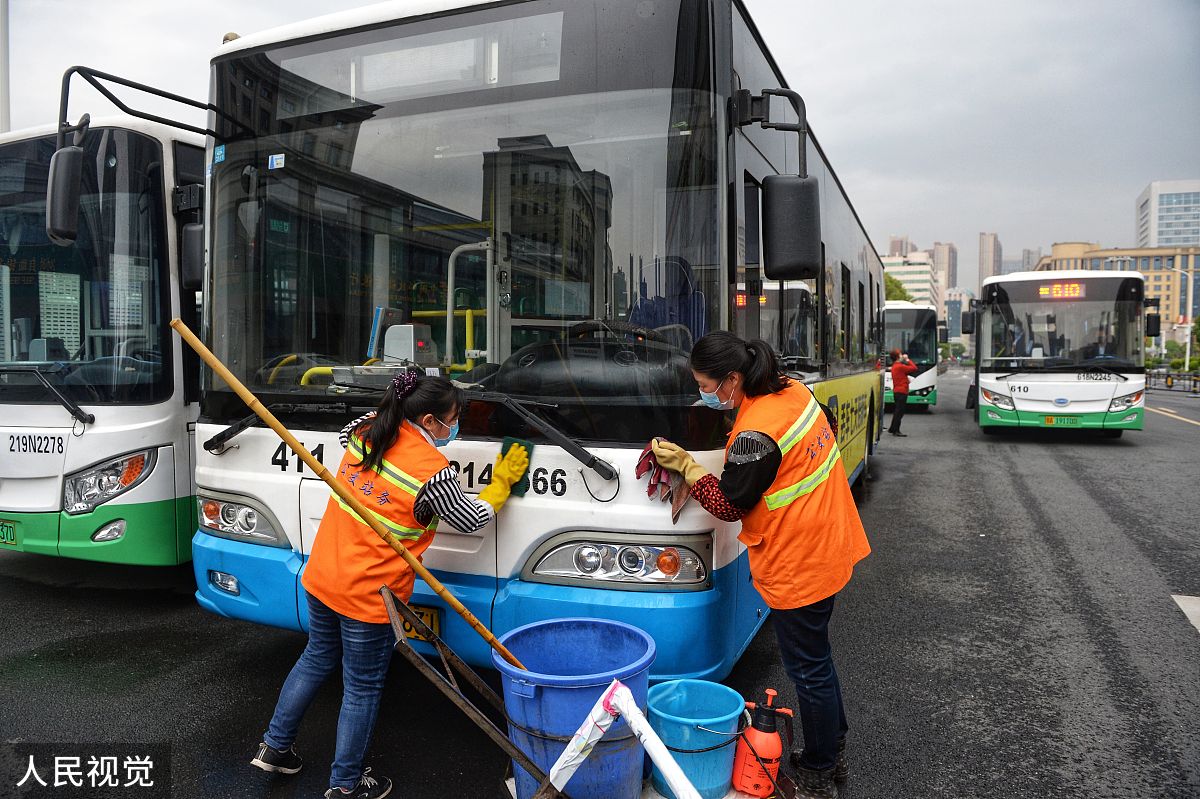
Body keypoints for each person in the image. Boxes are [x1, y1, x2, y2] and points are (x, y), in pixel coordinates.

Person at [250, 369, 529, 799]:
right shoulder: (432, 471)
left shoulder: (363, 432)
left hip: (324, 574)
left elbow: (362, 431)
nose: (456, 427)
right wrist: (503, 484)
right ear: (432, 421)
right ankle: (344, 786)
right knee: (361, 687)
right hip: (369, 593)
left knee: (315, 659)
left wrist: (394, 405)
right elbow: (470, 520)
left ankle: (274, 747)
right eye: (453, 418)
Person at [650, 331, 871, 799]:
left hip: (801, 559)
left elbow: (729, 505)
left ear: (732, 380)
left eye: (706, 385)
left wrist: (690, 467)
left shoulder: (756, 434)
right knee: (818, 660)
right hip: (828, 539)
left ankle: (820, 768)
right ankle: (833, 745)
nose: (703, 394)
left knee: (808, 669)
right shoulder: (790, 390)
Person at [887, 348, 919, 437]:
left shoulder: (895, 366)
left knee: (898, 411)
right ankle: (896, 430)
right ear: (897, 357)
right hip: (902, 391)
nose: (902, 355)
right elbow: (914, 368)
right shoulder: (900, 366)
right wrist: (907, 360)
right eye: (900, 354)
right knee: (899, 412)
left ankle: (892, 428)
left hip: (898, 391)